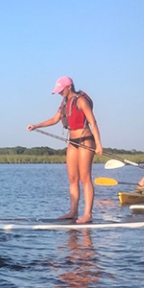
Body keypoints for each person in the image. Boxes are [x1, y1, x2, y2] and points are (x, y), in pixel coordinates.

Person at [27, 76, 103, 223]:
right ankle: (73, 212)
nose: (60, 93)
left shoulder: (80, 100)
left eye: (62, 90)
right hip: (72, 141)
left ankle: (88, 214)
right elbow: (55, 119)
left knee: (85, 178)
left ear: (69, 87)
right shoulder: (64, 103)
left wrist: (99, 144)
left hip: (85, 140)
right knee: (72, 178)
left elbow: (93, 122)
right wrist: (36, 125)